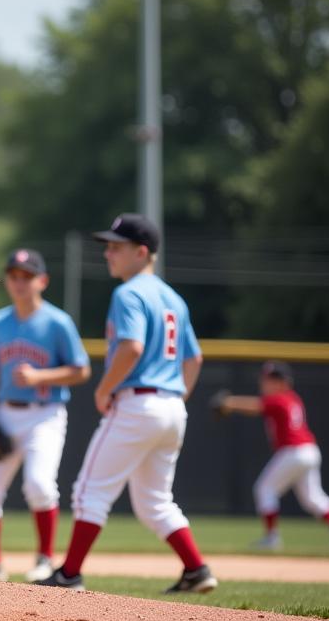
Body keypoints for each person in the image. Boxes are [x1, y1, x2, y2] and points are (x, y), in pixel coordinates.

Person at [38, 213, 218, 594]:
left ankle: (69, 574)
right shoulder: (174, 298)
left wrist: (105, 389)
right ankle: (196, 569)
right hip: (171, 408)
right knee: (155, 501)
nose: (108, 254)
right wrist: (177, 397)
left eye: (116, 248)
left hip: (139, 403)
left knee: (89, 491)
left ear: (142, 252)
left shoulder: (129, 293)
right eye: (107, 247)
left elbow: (132, 347)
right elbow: (195, 359)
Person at [0, 248, 90, 583]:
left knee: (39, 485)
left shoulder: (57, 322)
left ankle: (45, 560)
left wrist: (41, 377)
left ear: (42, 281)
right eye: (14, 276)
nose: (19, 282)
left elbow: (81, 370)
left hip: (45, 414)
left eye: (27, 276)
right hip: (5, 413)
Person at [213, 361, 329, 552]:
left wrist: (229, 402)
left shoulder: (279, 398)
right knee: (312, 497)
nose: (264, 383)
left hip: (293, 451)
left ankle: (271, 538)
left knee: (264, 489)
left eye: (268, 380)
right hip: (310, 450)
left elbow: (256, 406)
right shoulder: (294, 398)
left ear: (281, 382)